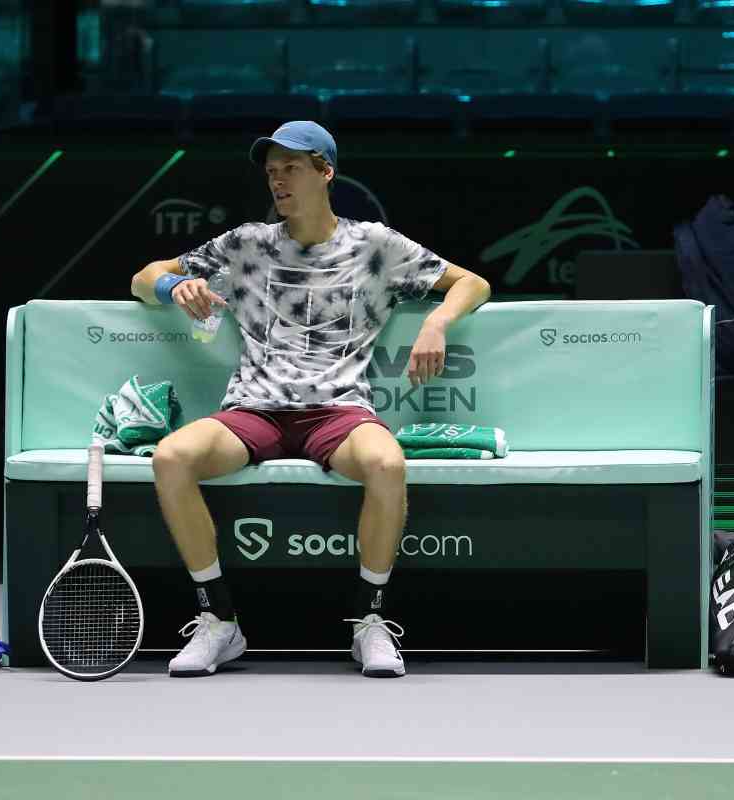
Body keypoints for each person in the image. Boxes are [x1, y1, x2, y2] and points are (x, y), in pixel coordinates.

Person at [129, 121, 491, 678]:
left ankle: (368, 623)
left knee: (387, 464)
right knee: (172, 457)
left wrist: (437, 322)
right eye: (272, 172)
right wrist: (171, 287)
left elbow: (472, 282)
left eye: (291, 169)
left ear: (326, 172)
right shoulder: (245, 244)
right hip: (254, 411)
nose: (278, 181)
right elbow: (143, 275)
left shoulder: (375, 245)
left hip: (339, 412)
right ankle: (218, 620)